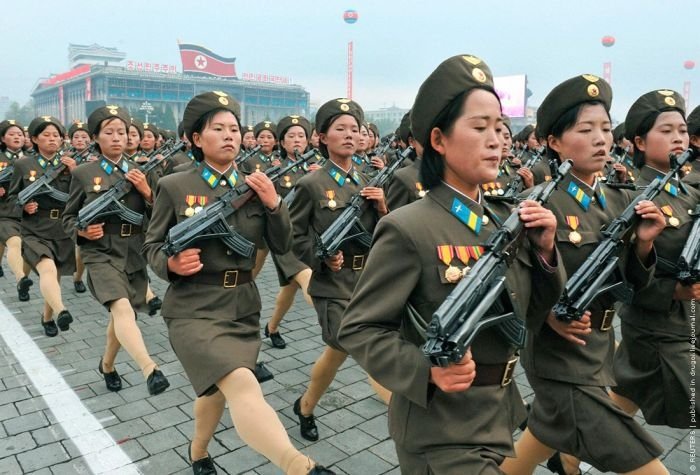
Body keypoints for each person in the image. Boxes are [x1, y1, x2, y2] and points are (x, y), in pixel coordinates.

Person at [338, 54, 565, 474]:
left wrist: (547, 253)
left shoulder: (506, 219)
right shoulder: (407, 227)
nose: (497, 139)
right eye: (480, 127)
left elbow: (533, 315)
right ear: (439, 140)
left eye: (500, 127)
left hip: (497, 415)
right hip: (439, 429)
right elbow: (359, 328)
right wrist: (425, 370)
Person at [143, 91, 334, 475]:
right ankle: (298, 466)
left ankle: (197, 451)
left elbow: (283, 246)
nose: (230, 135)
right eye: (218, 129)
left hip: (242, 306)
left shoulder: (256, 186)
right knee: (242, 382)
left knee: (217, 389)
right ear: (197, 139)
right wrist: (172, 263)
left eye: (234, 128)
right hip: (193, 308)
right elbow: (151, 246)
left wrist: (274, 205)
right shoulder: (175, 185)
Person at [500, 76, 668, 475]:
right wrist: (545, 315)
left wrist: (644, 244)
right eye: (585, 129)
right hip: (558, 359)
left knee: (541, 436)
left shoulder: (621, 199)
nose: (601, 139)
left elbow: (632, 286)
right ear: (554, 142)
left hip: (598, 350)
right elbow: (509, 284)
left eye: (606, 129)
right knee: (644, 463)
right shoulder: (535, 205)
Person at [289, 97, 392, 442]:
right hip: (333, 285)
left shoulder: (370, 180)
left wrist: (382, 208)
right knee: (365, 350)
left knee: (336, 353)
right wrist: (321, 256)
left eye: (355, 129)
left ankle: (305, 405)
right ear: (322, 137)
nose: (350, 135)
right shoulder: (310, 185)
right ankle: (405, 408)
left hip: (368, 281)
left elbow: (388, 235)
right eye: (341, 129)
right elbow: (294, 236)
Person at [62, 105, 169, 396]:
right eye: (108, 132)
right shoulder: (84, 173)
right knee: (123, 310)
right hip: (100, 252)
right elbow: (68, 218)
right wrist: (81, 231)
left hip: (133, 252)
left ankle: (107, 365)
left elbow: (160, 214)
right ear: (96, 137)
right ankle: (150, 368)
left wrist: (147, 191)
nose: (117, 138)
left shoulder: (142, 170)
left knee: (119, 318)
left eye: (121, 131)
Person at [609, 90, 700, 431]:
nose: (677, 137)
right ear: (640, 142)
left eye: (681, 129)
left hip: (688, 324)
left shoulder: (688, 192)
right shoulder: (630, 198)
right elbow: (620, 278)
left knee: (624, 399)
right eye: (665, 130)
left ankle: (567, 457)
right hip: (659, 331)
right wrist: (672, 291)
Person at [8, 116, 76, 337]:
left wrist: (75, 172)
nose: (52, 139)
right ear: (35, 139)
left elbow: (81, 197)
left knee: (53, 277)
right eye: (46, 135)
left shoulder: (70, 164)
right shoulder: (23, 164)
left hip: (61, 228)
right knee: (47, 267)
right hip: (34, 228)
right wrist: (24, 207)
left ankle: (47, 317)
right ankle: (62, 310)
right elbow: (11, 198)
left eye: (56, 135)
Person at [264, 115, 317, 349]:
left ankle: (271, 327)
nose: (297, 140)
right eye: (291, 136)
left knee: (289, 288)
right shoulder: (275, 172)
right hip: (284, 238)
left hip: (309, 238)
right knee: (308, 279)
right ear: (282, 143)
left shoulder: (319, 169)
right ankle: (338, 324)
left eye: (301, 136)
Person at [0, 120, 33, 298]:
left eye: (20, 134)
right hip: (5, 211)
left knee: (25, 249)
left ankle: (23, 281)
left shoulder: (32, 159)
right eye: (12, 134)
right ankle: (21, 278)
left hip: (28, 212)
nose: (17, 137)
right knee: (14, 242)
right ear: (3, 138)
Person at [67, 120, 92, 294]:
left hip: (87, 205)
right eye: (76, 136)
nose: (80, 140)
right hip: (67, 203)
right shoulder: (63, 157)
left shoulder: (95, 159)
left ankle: (77, 278)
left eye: (84, 136)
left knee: (81, 247)